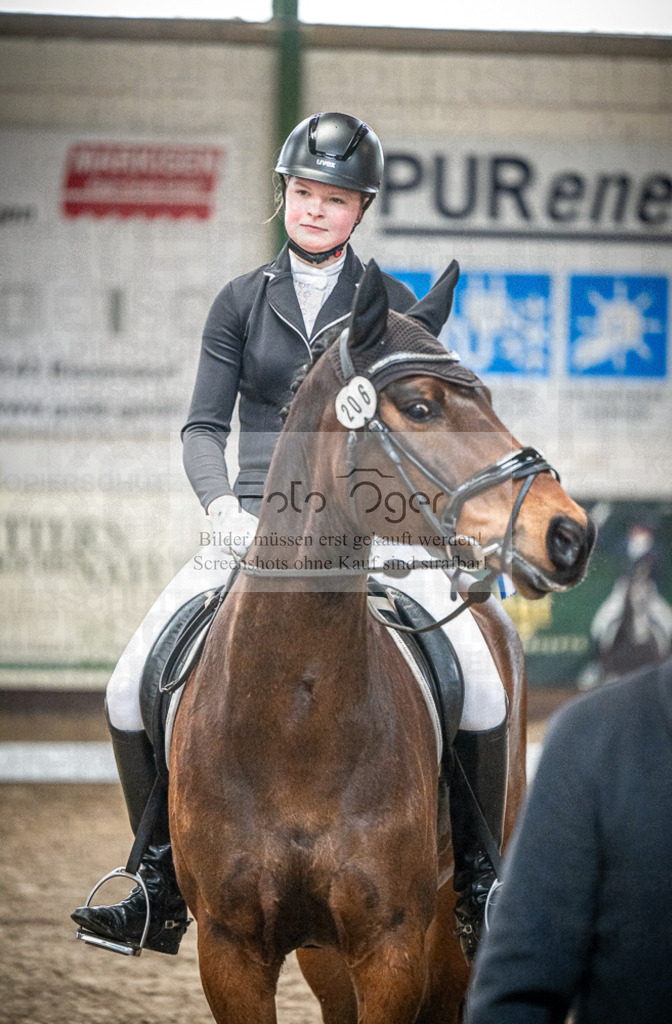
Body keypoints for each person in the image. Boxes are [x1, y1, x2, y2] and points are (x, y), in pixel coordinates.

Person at [72, 112, 509, 960]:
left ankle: (481, 882)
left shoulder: (388, 306)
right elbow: (203, 427)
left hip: (377, 524)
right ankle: (157, 881)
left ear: (360, 209)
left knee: (483, 687)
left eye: (335, 199)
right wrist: (220, 510)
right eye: (304, 193)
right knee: (127, 686)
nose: (315, 209)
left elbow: (422, 417)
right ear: (285, 195)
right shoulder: (241, 300)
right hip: (250, 524)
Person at [466, 572, 672, 1024]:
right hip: (363, 571)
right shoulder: (590, 737)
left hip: (428, 565)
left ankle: (479, 872)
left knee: (479, 681)